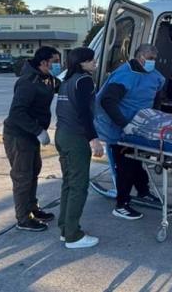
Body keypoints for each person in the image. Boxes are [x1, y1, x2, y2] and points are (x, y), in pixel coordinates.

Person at [94, 43, 165, 220]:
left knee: (136, 161)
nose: (153, 62)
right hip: (121, 128)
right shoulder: (124, 76)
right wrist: (124, 124)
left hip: (141, 126)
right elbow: (107, 101)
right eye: (150, 59)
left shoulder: (155, 76)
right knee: (125, 166)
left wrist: (154, 118)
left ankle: (143, 191)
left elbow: (156, 99)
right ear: (140, 57)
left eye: (154, 59)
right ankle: (121, 205)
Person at [3, 46, 61, 232]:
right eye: (55, 61)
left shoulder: (48, 78)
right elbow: (16, 113)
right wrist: (38, 131)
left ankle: (32, 207)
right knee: (23, 176)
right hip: (19, 135)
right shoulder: (28, 82)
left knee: (34, 170)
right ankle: (23, 218)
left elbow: (63, 86)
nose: (58, 65)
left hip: (31, 135)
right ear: (44, 62)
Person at [55, 47, 104, 248]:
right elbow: (84, 112)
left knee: (68, 183)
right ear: (82, 63)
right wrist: (94, 139)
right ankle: (73, 236)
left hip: (62, 134)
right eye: (91, 60)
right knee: (79, 186)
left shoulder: (66, 80)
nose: (95, 63)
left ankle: (65, 229)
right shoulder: (84, 80)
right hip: (76, 137)